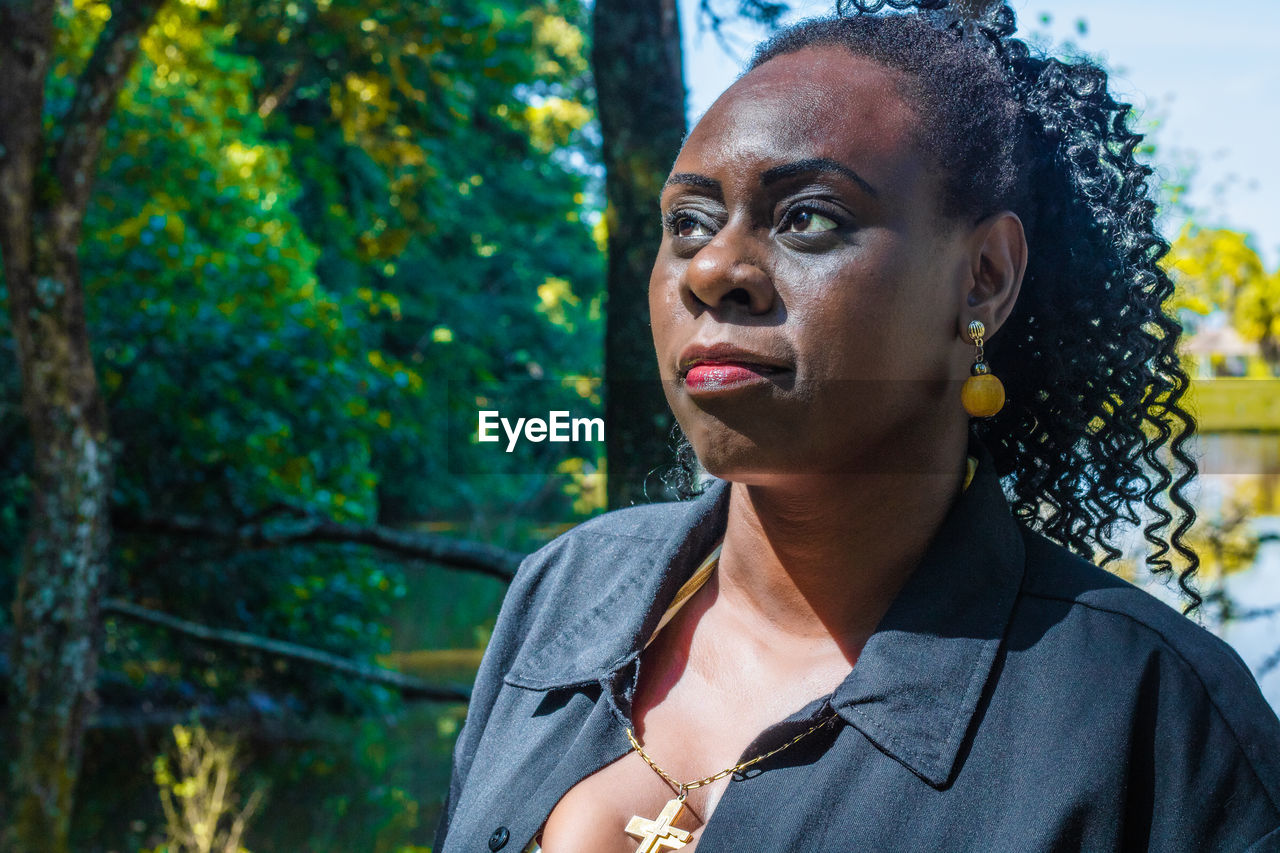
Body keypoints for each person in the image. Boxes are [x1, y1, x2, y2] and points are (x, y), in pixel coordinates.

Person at [435, 2, 1280, 851]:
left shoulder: (1158, 722)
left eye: (808, 217)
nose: (717, 269)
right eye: (688, 223)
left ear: (983, 278)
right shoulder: (565, 593)